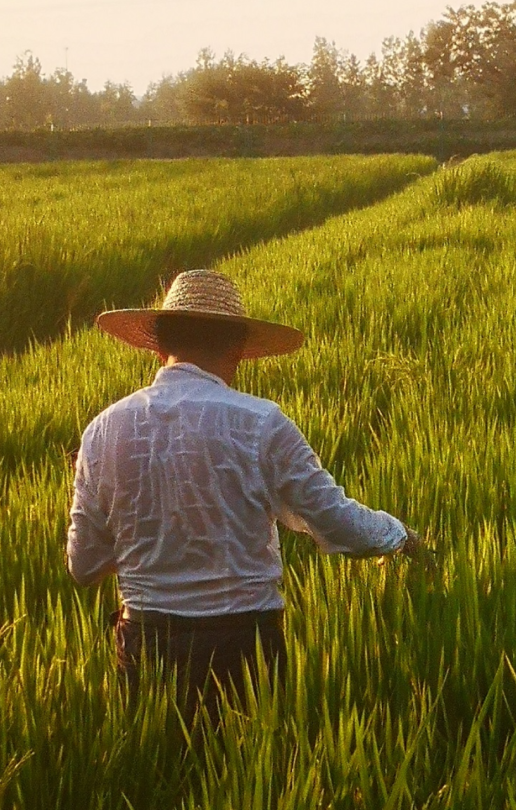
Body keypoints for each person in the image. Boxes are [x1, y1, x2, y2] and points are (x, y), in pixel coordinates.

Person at [66, 269, 423, 725]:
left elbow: (84, 566)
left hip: (146, 644)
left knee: (159, 765)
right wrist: (399, 535)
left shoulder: (103, 430)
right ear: (238, 349)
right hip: (242, 646)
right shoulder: (261, 423)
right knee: (245, 761)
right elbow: (335, 521)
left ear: (158, 346)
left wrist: (150, 537)